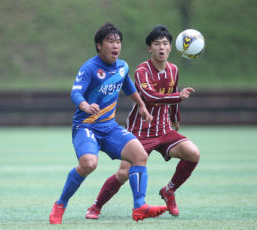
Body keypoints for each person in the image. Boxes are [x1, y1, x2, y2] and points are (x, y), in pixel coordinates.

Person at [49, 23, 167, 225]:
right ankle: (60, 204)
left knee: (139, 155)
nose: (116, 46)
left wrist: (141, 105)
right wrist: (85, 105)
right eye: (111, 41)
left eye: (118, 42)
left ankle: (140, 207)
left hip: (109, 127)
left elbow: (128, 85)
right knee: (89, 164)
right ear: (99, 45)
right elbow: (75, 92)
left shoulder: (122, 66)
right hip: (86, 126)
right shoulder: (89, 68)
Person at [85, 25, 200, 219]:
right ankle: (96, 207)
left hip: (163, 130)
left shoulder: (173, 69)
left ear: (171, 48)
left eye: (165, 44)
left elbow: (173, 93)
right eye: (157, 44)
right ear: (150, 48)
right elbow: (149, 96)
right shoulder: (142, 71)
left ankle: (169, 191)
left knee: (193, 154)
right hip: (140, 130)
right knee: (123, 173)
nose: (161, 48)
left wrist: (175, 118)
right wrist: (177, 97)